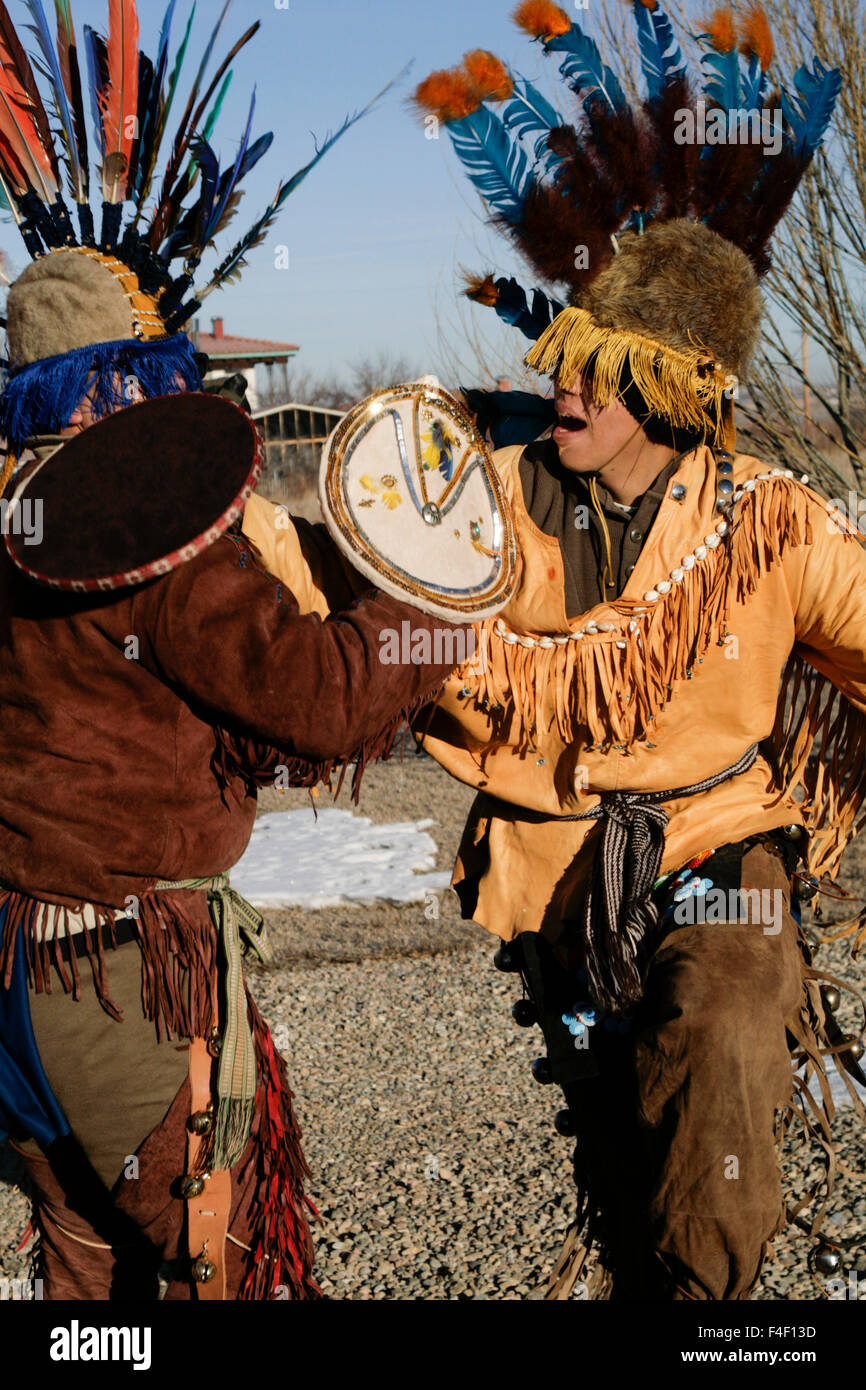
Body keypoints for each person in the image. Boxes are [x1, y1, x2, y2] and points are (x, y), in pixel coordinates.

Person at [0, 0, 465, 1301]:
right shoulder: (139, 520)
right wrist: (438, 599)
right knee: (226, 1272)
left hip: (13, 989)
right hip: (131, 990)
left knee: (86, 1285)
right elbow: (327, 698)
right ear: (116, 383)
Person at [402, 1, 866, 1298]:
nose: (563, 387)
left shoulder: (771, 521)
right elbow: (331, 604)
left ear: (667, 392)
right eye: (561, 359)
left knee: (718, 1041)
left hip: (721, 844)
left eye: (597, 373)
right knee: (618, 1137)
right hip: (550, 871)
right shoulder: (481, 497)